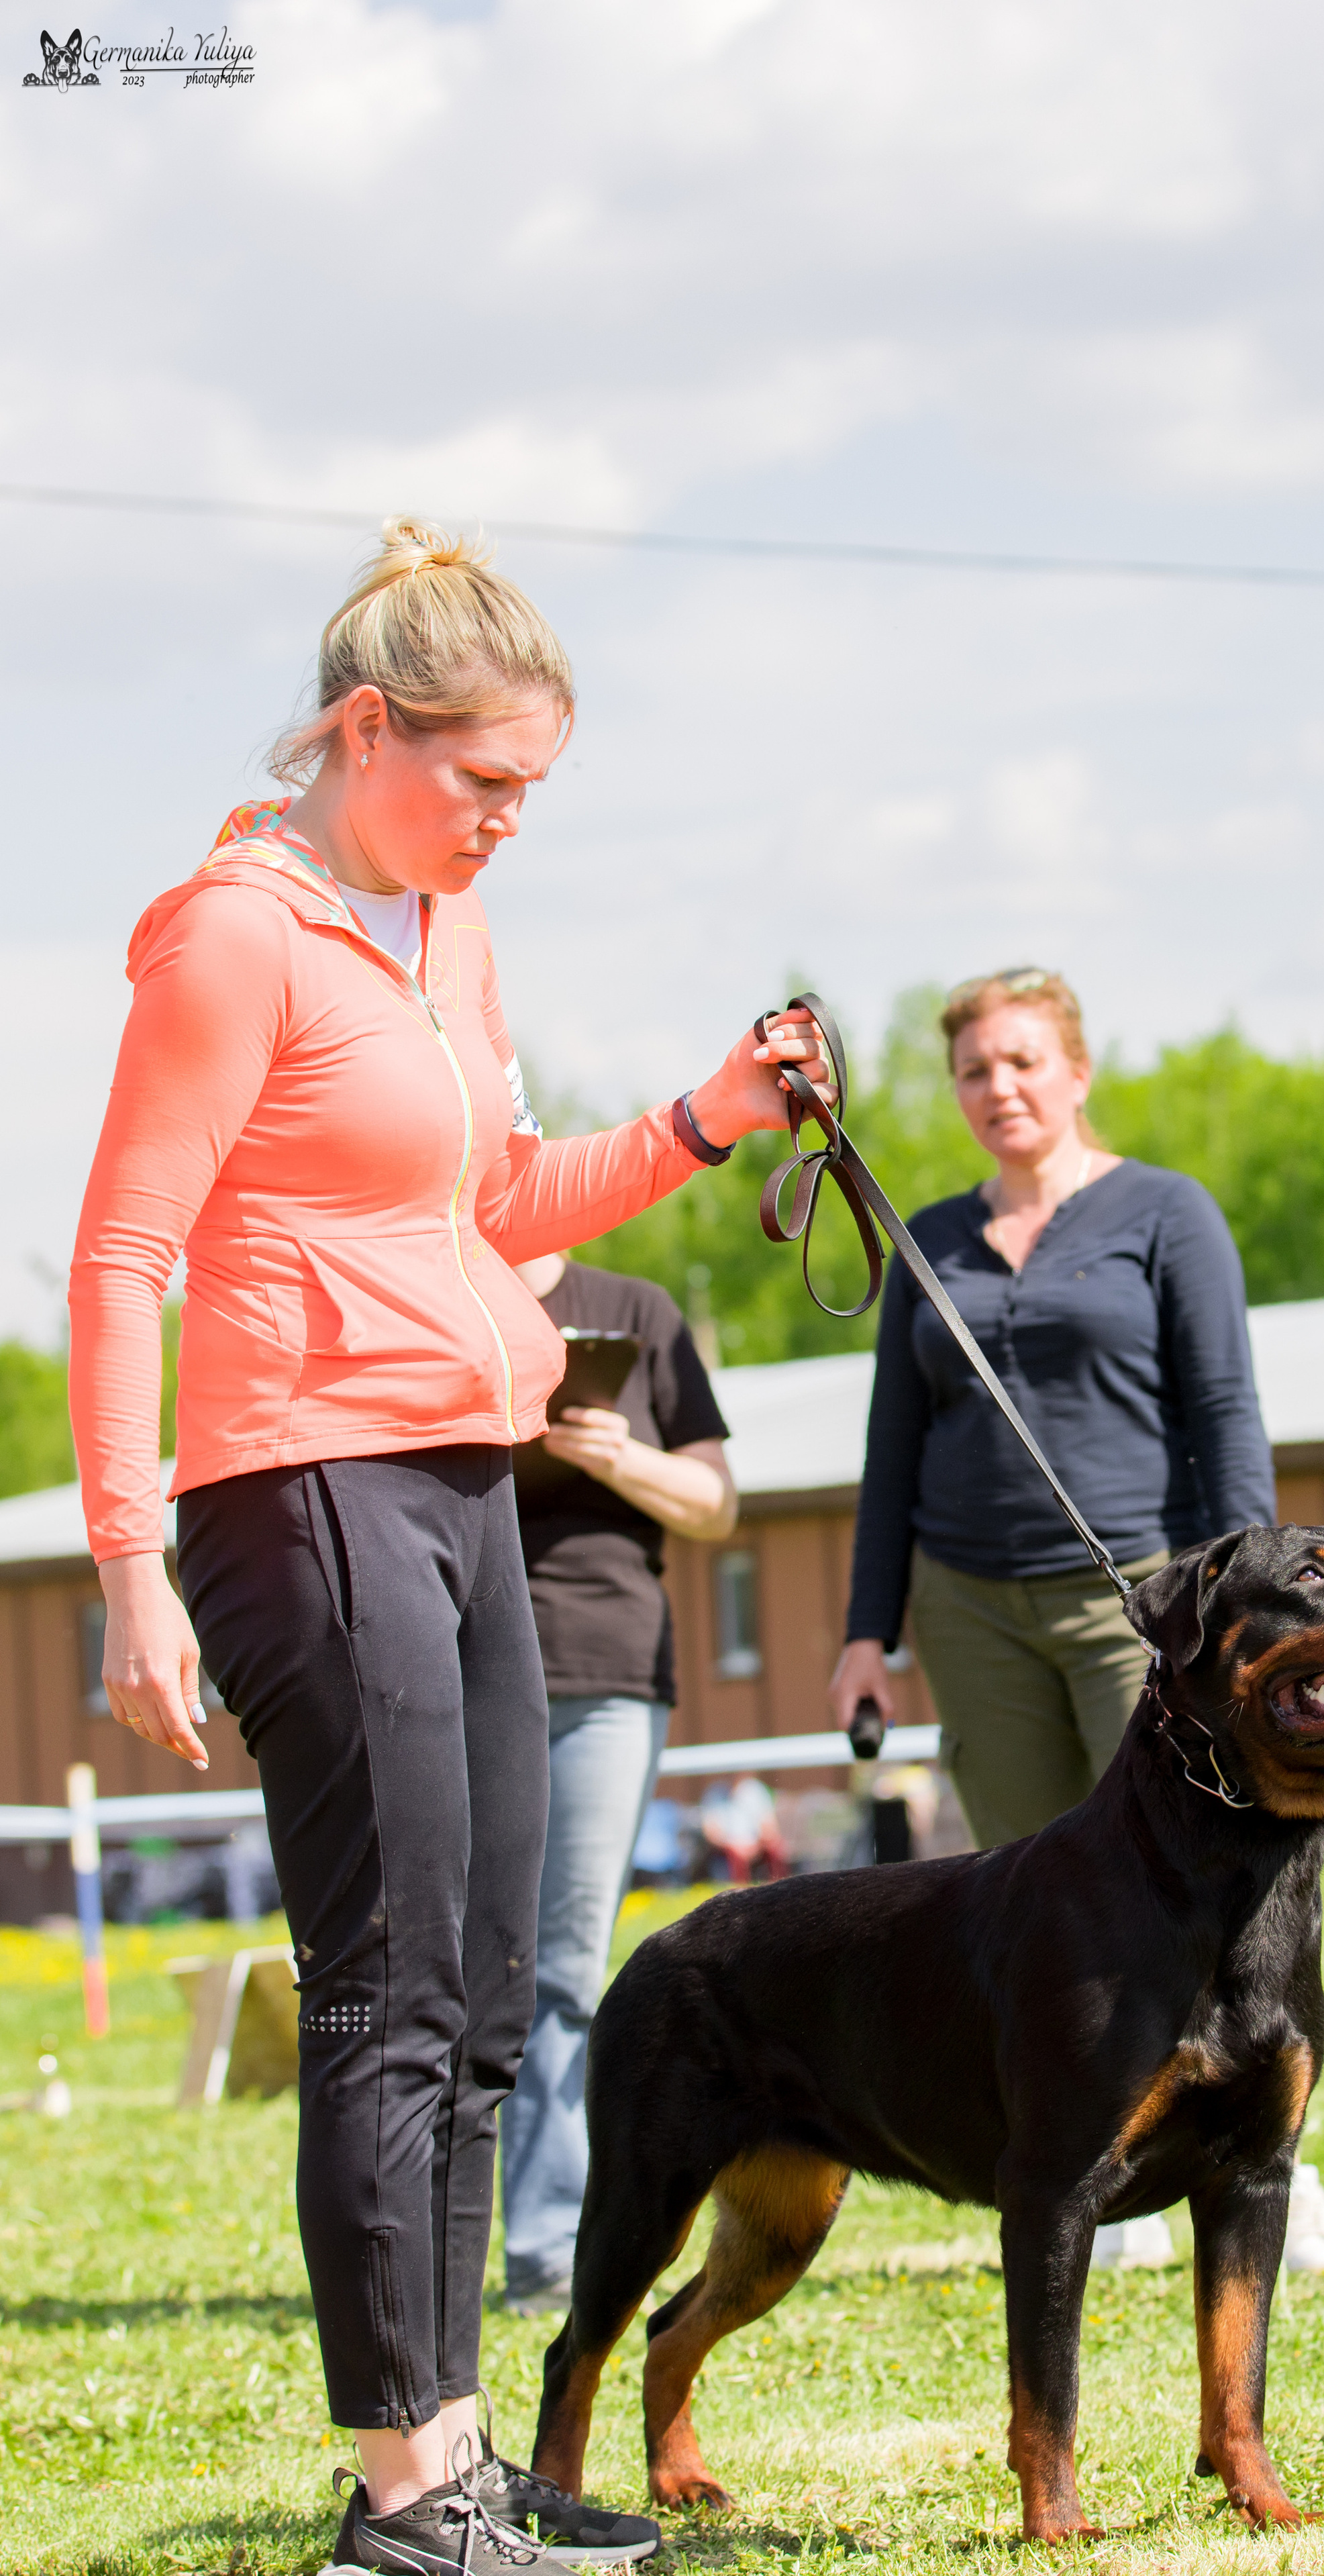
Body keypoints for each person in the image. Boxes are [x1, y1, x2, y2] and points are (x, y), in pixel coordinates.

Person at [68, 520, 829, 2575]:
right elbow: (125, 1250)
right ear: (363, 725)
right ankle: (403, 2498)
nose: (507, 823)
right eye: (485, 781)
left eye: (534, 794)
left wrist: (706, 1113)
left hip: (464, 1469)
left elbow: (494, 1199)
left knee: (491, 1993)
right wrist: (127, 1557)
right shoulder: (234, 933)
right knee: (391, 1989)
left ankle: (461, 2461)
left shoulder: (438, 939)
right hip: (298, 1483)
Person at [825, 964, 1324, 2277]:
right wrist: (863, 1627)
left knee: (1212, 1875)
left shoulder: (1166, 1214)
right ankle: (1086, 2161)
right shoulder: (929, 1241)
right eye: (971, 1070)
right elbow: (891, 1445)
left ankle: (1268, 2151)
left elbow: (1223, 1410)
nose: (996, 1087)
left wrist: (1257, 1603)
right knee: (1032, 1887)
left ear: (1073, 1069)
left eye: (1020, 1061)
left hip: (1149, 1594)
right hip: (966, 1598)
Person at [501, 1254, 736, 2318]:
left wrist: (615, 1456)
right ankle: (453, 2237)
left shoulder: (635, 1307)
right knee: (466, 1970)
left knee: (560, 1963)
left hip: (605, 1674)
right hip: (462, 1660)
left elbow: (714, 1503)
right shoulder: (435, 1277)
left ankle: (551, 2237)